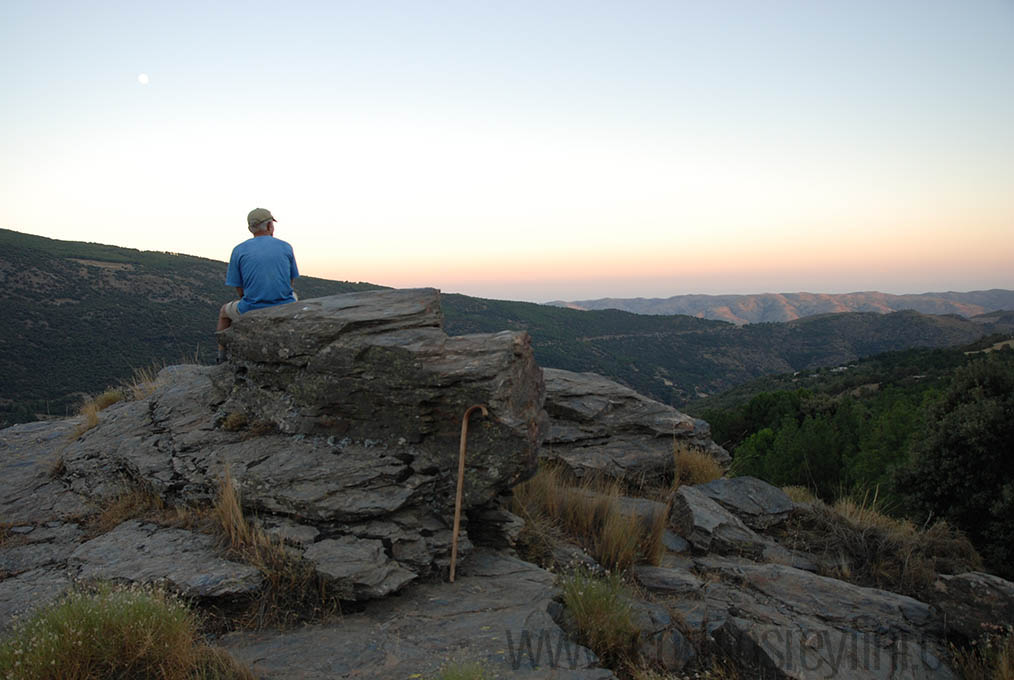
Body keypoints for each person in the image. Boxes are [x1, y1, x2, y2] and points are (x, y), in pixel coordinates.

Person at [216, 208, 299, 362]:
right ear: (269, 226)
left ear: (250, 228)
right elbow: (290, 282)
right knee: (294, 295)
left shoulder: (239, 250)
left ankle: (221, 356)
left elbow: (239, 288)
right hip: (284, 304)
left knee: (223, 313)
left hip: (252, 307)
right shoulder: (285, 247)